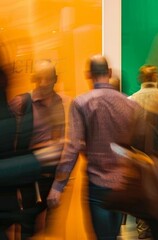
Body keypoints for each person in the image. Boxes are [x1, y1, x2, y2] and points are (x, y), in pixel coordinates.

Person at [47, 55, 143, 240]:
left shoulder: (82, 103)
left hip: (97, 183)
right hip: (122, 185)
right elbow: (137, 146)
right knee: (114, 235)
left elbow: (73, 147)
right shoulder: (131, 105)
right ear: (109, 73)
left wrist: (58, 186)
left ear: (88, 75)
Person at [0, 58, 62, 239]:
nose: (43, 83)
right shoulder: (21, 103)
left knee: (44, 229)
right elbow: (9, 148)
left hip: (49, 179)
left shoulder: (61, 102)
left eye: (48, 78)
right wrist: (36, 160)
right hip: (26, 179)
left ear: (55, 79)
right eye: (39, 78)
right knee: (27, 226)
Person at [128, 64, 158, 239]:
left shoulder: (132, 99)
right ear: (156, 78)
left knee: (142, 192)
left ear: (140, 78)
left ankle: (142, 229)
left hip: (139, 154)